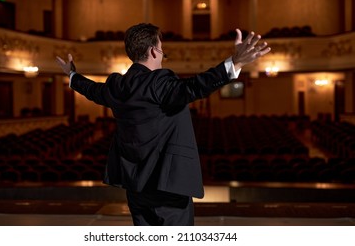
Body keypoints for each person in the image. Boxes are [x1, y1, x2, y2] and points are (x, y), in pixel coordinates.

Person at [56, 23, 271, 226]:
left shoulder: (116, 85)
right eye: (161, 48)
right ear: (152, 51)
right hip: (168, 185)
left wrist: (72, 75)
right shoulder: (159, 82)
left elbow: (92, 90)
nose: (162, 54)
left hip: (135, 185)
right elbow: (195, 87)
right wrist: (235, 62)